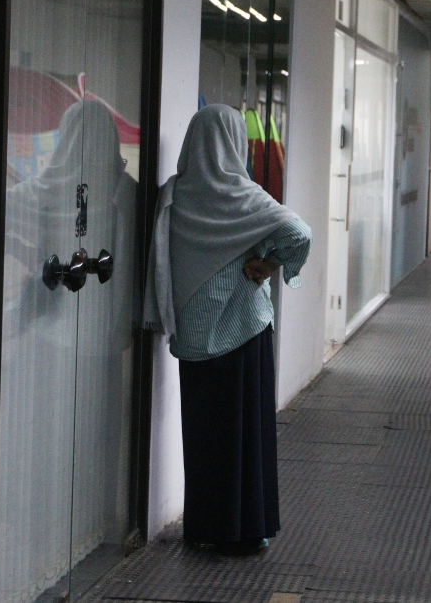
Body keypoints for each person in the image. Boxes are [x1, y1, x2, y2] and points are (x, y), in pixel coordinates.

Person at [144, 104, 311, 555]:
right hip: (244, 330)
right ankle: (246, 528)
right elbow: (300, 234)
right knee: (246, 433)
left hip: (195, 337)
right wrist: (269, 264)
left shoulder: (175, 194)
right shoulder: (245, 195)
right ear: (236, 143)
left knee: (204, 435)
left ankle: (206, 527)